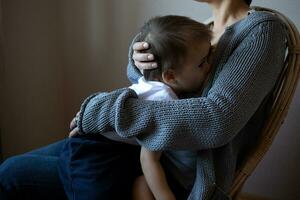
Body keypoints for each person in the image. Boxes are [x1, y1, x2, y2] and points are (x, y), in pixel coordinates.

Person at [0, 0, 287, 199]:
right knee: (10, 168)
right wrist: (139, 62)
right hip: (133, 147)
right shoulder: (203, 28)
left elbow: (215, 120)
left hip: (166, 168)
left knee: (12, 175)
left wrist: (104, 110)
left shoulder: (261, 31)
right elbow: (153, 88)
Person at [58, 15, 212, 200]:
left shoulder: (149, 82)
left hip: (117, 150)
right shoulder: (164, 100)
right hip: (93, 154)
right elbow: (148, 160)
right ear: (170, 76)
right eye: (202, 63)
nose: (209, 66)